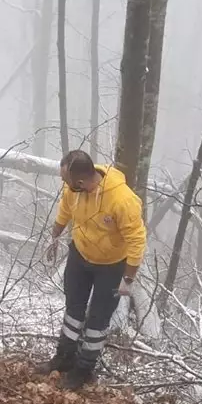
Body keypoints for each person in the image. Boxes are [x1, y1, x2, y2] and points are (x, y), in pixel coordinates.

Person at [38, 150, 146, 390]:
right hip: (80, 255)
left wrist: (128, 278)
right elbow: (65, 209)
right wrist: (53, 237)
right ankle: (64, 358)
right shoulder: (74, 190)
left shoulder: (122, 200)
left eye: (66, 181)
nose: (64, 185)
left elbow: (137, 240)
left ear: (79, 181)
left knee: (98, 320)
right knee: (73, 310)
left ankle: (84, 369)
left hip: (111, 265)